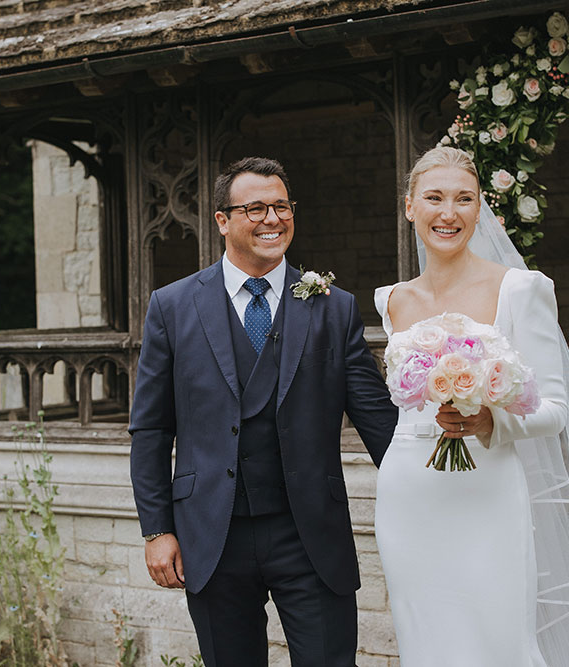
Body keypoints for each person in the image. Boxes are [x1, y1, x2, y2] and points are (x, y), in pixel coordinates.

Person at [129, 156, 397, 667]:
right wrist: (157, 529)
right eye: (255, 208)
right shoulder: (172, 306)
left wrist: (441, 470)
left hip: (310, 535)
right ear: (222, 220)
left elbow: (378, 421)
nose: (272, 219)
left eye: (282, 206)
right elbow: (151, 427)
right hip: (211, 533)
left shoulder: (333, 307)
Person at [374, 146, 569, 666]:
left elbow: (556, 409)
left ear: (480, 208)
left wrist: (492, 419)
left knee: (498, 640)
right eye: (434, 198)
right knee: (423, 638)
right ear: (409, 207)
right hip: (408, 490)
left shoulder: (521, 289)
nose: (448, 213)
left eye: (463, 199)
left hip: (487, 489)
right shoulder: (392, 299)